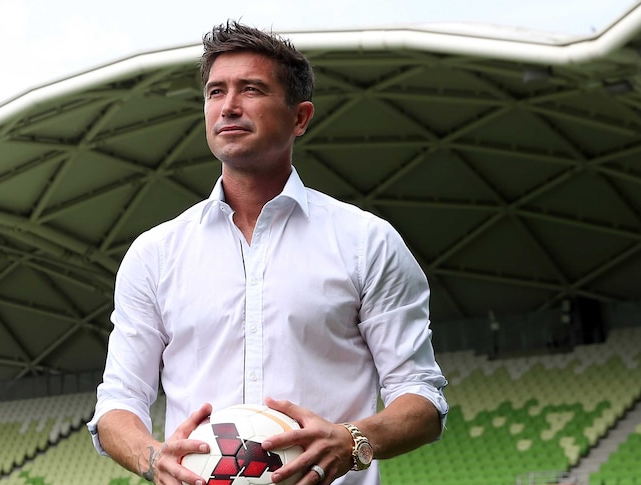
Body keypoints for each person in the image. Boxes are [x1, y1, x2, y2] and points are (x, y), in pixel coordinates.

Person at [87, 20, 448, 485]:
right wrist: (151, 456)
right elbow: (118, 402)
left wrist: (352, 439)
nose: (229, 106)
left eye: (251, 89)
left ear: (300, 117)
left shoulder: (367, 242)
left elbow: (422, 399)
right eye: (215, 92)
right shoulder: (154, 254)